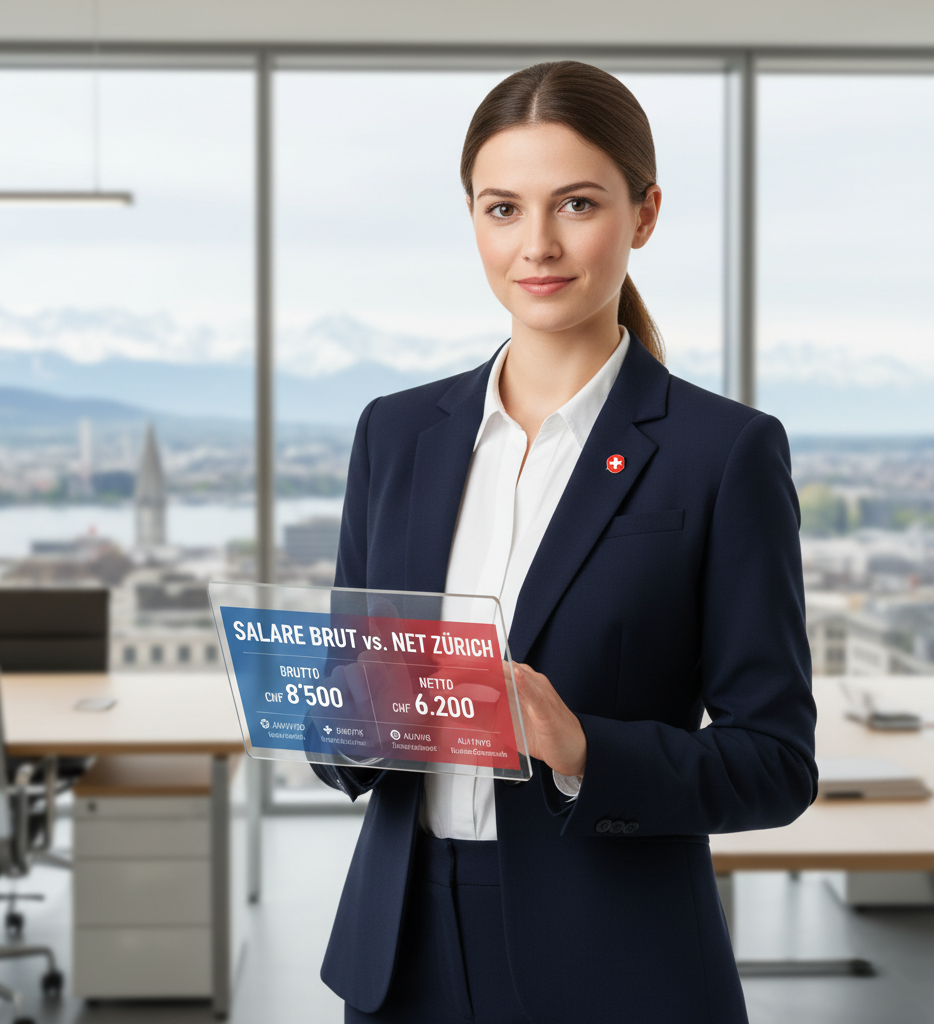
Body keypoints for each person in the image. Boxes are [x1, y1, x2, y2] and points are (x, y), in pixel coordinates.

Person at [312, 60, 817, 1024]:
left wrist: (582, 748)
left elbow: (775, 763)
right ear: (471, 217)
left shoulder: (724, 453)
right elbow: (359, 718)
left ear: (646, 212)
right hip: (401, 948)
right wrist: (330, 711)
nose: (536, 245)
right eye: (502, 208)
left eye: (575, 203)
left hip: (614, 956)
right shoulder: (395, 432)